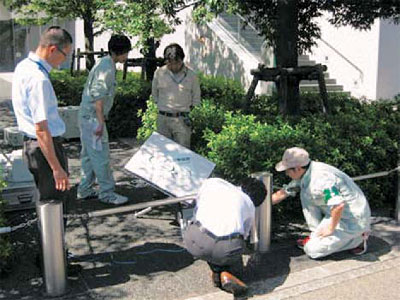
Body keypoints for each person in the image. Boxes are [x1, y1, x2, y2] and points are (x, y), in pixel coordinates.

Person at [12, 26, 78, 273]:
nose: (65, 60)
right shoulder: (39, 79)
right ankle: (53, 265)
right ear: (53, 49)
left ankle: (50, 259)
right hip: (45, 147)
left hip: (33, 146)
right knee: (55, 205)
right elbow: (42, 130)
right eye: (65, 54)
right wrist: (57, 168)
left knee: (46, 203)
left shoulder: (23, 67)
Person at [272, 147, 371, 259]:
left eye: (287, 170)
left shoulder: (322, 179)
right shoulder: (307, 171)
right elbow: (282, 193)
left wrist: (330, 229)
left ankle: (358, 239)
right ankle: (317, 236)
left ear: (297, 168)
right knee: (306, 193)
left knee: (312, 250)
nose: (286, 174)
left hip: (353, 221)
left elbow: (338, 205)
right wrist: (258, 204)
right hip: (336, 215)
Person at [183, 177, 267, 295]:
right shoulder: (249, 205)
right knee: (233, 245)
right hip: (224, 249)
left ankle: (217, 271)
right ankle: (226, 274)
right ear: (256, 200)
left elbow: (197, 204)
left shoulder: (215, 182)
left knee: (209, 242)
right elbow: (244, 235)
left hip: (193, 239)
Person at [77, 35, 131, 205]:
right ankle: (107, 193)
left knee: (88, 155)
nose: (127, 56)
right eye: (126, 52)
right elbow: (98, 97)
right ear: (120, 52)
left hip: (87, 117)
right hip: (93, 118)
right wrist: (100, 123)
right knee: (101, 156)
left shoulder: (104, 63)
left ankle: (85, 189)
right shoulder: (107, 67)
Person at [151, 43, 201, 148]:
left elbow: (196, 99)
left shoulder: (192, 76)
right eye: (170, 63)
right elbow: (155, 96)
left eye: (176, 63)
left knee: (183, 154)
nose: (174, 66)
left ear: (182, 60)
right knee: (163, 153)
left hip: (182, 120)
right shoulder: (159, 73)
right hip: (163, 119)